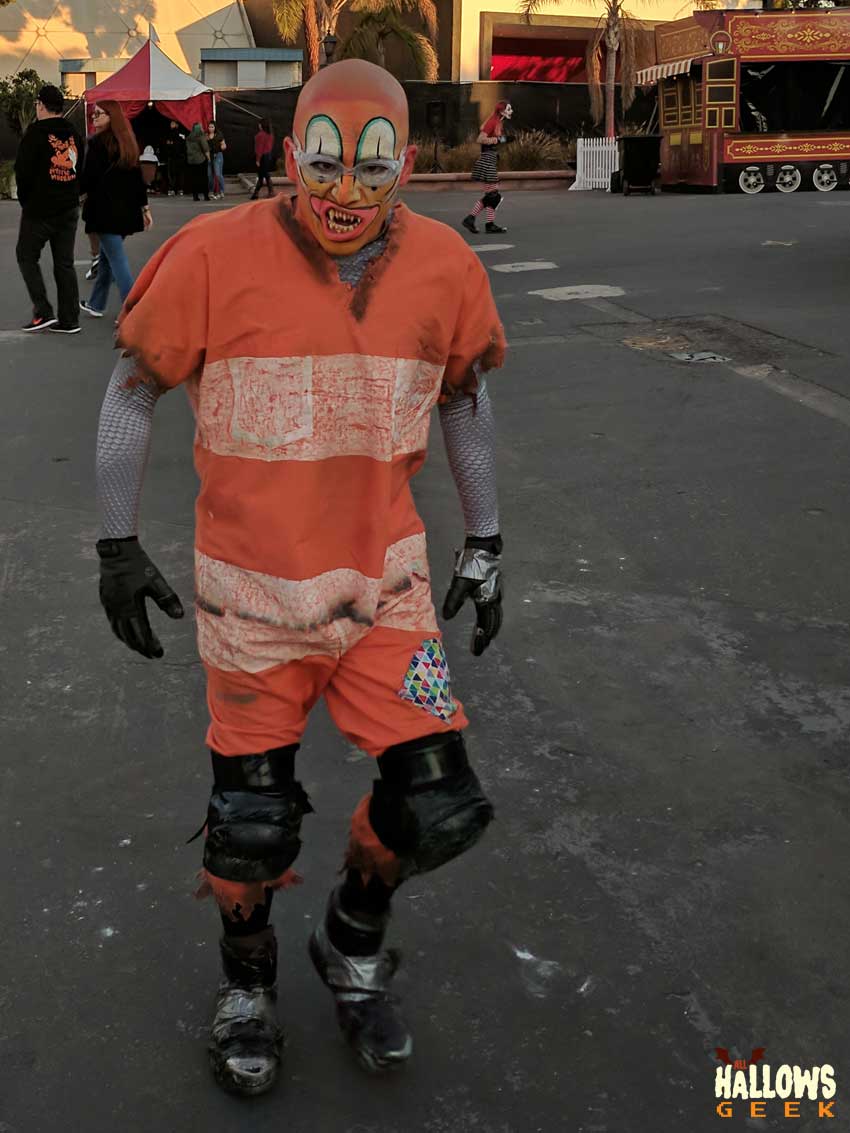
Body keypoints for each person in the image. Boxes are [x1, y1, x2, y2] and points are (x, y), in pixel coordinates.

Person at [95, 58, 506, 1099]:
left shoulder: (447, 267)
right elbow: (134, 386)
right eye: (322, 163)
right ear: (289, 157)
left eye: (370, 170)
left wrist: (487, 537)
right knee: (249, 821)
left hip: (388, 594)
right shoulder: (209, 254)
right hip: (250, 602)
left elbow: (461, 398)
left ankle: (351, 940)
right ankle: (247, 983)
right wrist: (115, 540)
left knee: (438, 800)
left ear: (406, 166)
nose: (342, 193)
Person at [14, 84, 83, 333]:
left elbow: (22, 171)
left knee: (26, 255)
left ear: (41, 105)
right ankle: (70, 318)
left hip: (40, 210)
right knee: (64, 262)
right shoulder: (73, 132)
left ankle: (43, 312)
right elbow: (80, 167)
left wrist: (26, 201)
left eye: (36, 104)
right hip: (68, 208)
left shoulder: (35, 133)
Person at [78, 101, 151, 319]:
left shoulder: (97, 144)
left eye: (99, 114)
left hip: (103, 213)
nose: (94, 118)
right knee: (108, 258)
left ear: (112, 117)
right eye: (93, 114)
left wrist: (76, 194)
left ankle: (133, 310)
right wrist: (145, 208)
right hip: (125, 213)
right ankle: (96, 303)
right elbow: (138, 181)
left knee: (117, 260)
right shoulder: (128, 143)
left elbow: (87, 179)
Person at [462, 101, 513, 236]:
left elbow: (492, 136)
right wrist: (497, 140)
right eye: (509, 109)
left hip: (491, 159)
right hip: (487, 160)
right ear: (502, 111)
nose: (511, 111)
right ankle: (473, 219)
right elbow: (480, 139)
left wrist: (504, 139)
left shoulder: (497, 121)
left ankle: (484, 223)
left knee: (492, 196)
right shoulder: (493, 121)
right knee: (493, 196)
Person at [186, 122, 210, 202]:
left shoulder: (189, 137)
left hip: (191, 161)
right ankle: (206, 196)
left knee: (194, 179)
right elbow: (205, 148)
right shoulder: (201, 136)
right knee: (203, 178)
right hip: (201, 160)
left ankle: (195, 196)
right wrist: (208, 158)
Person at [250, 117, 274, 199]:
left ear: (261, 125)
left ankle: (258, 193)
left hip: (263, 157)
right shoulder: (270, 134)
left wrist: (258, 160)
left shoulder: (260, 135)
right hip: (268, 155)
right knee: (264, 175)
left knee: (262, 175)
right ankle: (257, 193)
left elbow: (259, 149)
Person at [163, 120, 186, 195]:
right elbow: (167, 145)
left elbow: (183, 145)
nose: (171, 124)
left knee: (180, 173)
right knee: (172, 173)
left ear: (177, 125)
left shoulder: (181, 134)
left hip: (180, 157)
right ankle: (172, 189)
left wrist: (172, 144)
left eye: (173, 123)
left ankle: (180, 189)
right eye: (171, 123)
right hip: (172, 157)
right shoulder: (169, 133)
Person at [207, 121, 227, 199]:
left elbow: (223, 144)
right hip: (209, 157)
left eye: (212, 127)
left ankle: (222, 191)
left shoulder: (219, 134)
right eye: (209, 127)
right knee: (209, 175)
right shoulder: (206, 135)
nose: (210, 128)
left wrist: (223, 146)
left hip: (218, 156)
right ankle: (211, 192)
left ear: (215, 127)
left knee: (218, 174)